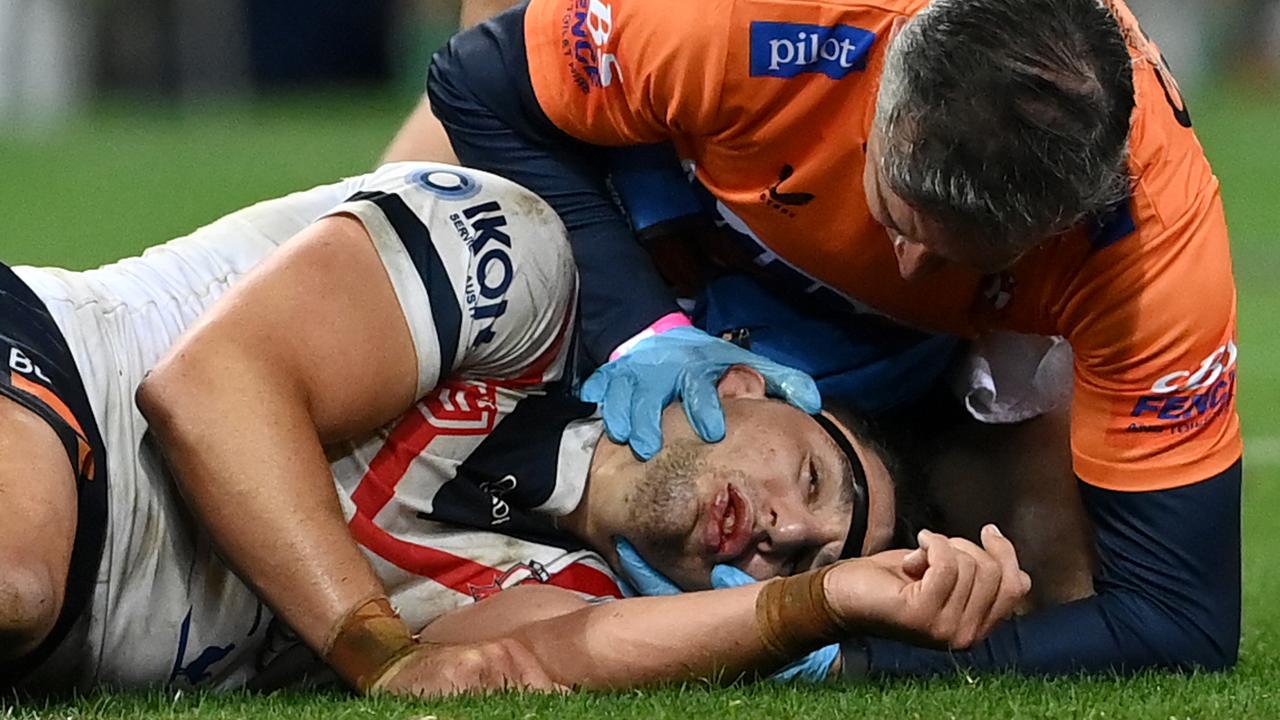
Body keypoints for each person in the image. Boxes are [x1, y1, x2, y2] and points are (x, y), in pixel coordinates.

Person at [392, 0, 1243, 676]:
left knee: (1053, 577)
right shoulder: (747, 24)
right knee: (445, 202)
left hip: (914, 350)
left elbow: (1178, 619)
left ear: (1058, 227)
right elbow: (477, 81)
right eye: (898, 209)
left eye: (955, 254)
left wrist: (849, 656)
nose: (907, 263)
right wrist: (640, 330)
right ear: (885, 98)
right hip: (677, 172)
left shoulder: (1153, 260)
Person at [0, 161, 1027, 696]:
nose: (784, 532)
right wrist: (378, 651)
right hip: (66, 374)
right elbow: (211, 386)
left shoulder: (550, 588)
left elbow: (545, 662)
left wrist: (822, 604)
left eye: (801, 557)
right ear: (756, 382)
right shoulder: (522, 273)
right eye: (812, 481)